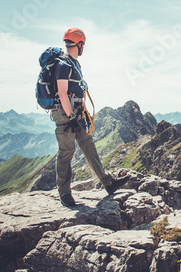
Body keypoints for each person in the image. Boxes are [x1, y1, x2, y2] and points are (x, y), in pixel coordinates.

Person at [51, 27, 128, 206]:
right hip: (65, 114)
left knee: (88, 144)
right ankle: (64, 194)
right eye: (82, 44)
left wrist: (82, 112)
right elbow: (62, 93)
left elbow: (75, 90)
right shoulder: (63, 64)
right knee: (66, 151)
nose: (83, 47)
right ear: (79, 43)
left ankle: (107, 183)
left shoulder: (74, 64)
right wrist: (70, 118)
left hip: (76, 112)